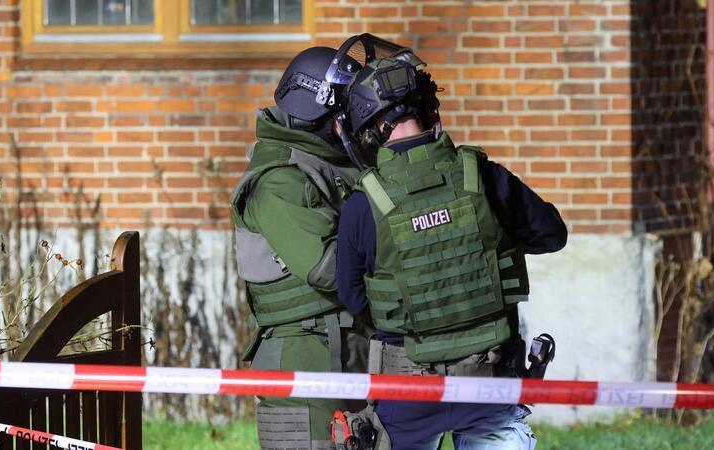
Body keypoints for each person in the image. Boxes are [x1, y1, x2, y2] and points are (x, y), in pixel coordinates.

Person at [334, 54, 568, 449]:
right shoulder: (485, 177)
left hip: (407, 394)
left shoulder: (363, 204)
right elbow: (552, 234)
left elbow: (353, 296)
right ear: (431, 112)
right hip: (490, 385)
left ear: (371, 130)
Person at [230, 46, 370, 450]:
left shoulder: (331, 167)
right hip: (305, 363)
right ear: (315, 109)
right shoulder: (279, 180)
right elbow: (327, 268)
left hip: (342, 352)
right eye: (344, 113)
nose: (352, 124)